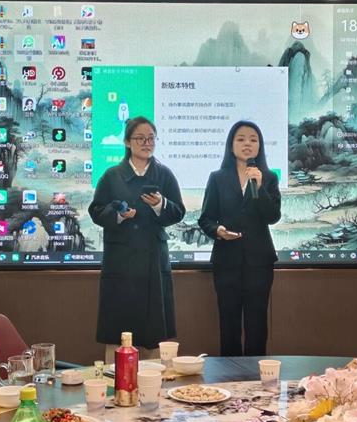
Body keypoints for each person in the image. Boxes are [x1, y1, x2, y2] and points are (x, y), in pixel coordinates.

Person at [89, 117, 185, 361]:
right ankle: (116, 379)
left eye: (151, 138)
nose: (146, 143)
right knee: (118, 332)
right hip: (120, 262)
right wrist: (119, 215)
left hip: (153, 261)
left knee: (154, 332)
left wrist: (160, 205)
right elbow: (96, 211)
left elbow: (178, 212)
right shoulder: (112, 176)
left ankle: (155, 380)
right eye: (140, 138)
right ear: (127, 142)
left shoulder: (164, 174)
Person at [198, 121, 281, 356]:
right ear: (231, 145)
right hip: (226, 261)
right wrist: (218, 231)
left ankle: (255, 374)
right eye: (241, 139)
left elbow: (273, 216)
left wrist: (259, 187)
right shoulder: (217, 178)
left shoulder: (269, 178)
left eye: (253, 139)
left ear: (260, 146)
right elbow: (205, 218)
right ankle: (229, 374)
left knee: (257, 325)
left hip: (259, 262)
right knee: (229, 324)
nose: (247, 144)